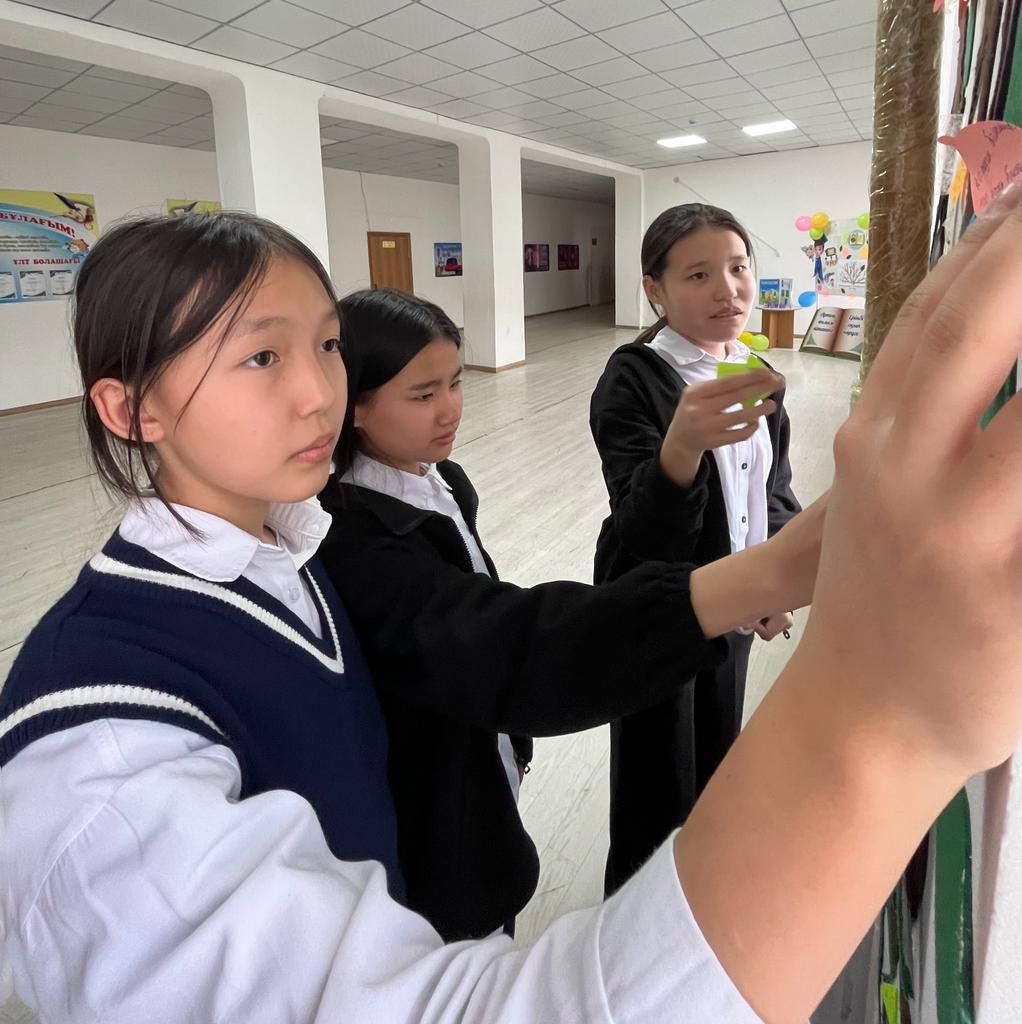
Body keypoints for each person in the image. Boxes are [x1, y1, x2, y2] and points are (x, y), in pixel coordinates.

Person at [1, 186, 1019, 1023]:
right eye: (262, 357)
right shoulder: (102, 766)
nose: (318, 394)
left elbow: (492, 631)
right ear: (130, 408)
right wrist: (882, 716)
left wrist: (786, 558)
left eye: (327, 347)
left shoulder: (293, 545)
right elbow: (507, 644)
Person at [316, 286, 812, 940]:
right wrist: (746, 576)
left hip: (492, 761)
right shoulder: (357, 540)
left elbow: (772, 489)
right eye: (422, 394)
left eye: (456, 383)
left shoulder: (442, 480)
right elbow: (507, 642)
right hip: (436, 826)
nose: (450, 409)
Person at [590, 203, 801, 894]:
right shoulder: (635, 377)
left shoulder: (753, 369)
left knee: (715, 753)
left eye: (738, 268)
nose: (728, 290)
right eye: (699, 275)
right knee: (656, 782)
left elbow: (773, 488)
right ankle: (635, 918)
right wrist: (681, 445)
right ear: (654, 289)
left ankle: (699, 897)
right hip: (656, 610)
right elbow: (645, 531)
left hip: (734, 606)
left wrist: (774, 579)